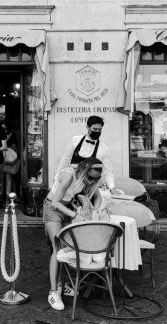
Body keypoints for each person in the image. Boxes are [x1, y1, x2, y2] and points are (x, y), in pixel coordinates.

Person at [44, 157, 105, 311]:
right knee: (57, 248)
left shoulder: (89, 179)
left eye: (94, 179)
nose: (91, 181)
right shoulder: (69, 175)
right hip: (53, 210)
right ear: (85, 169)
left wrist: (94, 210)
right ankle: (53, 291)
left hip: (68, 210)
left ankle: (62, 285)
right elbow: (55, 202)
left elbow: (98, 197)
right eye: (90, 177)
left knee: (67, 249)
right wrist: (74, 215)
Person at [54, 115, 116, 192]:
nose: (97, 132)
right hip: (70, 184)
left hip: (88, 187)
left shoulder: (104, 148)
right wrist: (56, 179)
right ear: (87, 127)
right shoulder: (75, 140)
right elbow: (65, 160)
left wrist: (112, 187)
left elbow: (109, 171)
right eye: (95, 129)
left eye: (99, 130)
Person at [0, 120, 19, 200]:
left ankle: (7, 197)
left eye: (5, 128)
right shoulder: (11, 135)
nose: (4, 130)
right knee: (0, 178)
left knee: (8, 178)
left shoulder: (11, 135)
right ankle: (0, 196)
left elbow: (14, 147)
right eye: (2, 128)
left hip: (7, 158)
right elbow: (14, 147)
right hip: (0, 158)